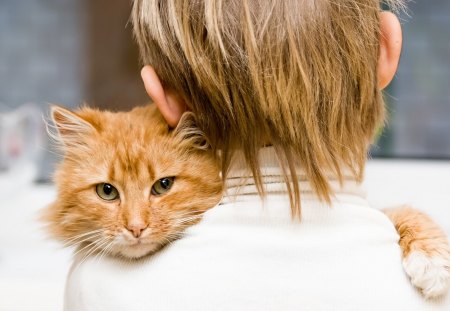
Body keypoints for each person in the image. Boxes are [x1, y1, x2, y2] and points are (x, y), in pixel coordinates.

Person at [64, 0, 449, 310]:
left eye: (162, 185)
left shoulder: (97, 284)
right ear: (386, 50)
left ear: (161, 95)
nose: (136, 223)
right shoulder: (422, 284)